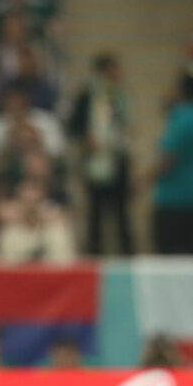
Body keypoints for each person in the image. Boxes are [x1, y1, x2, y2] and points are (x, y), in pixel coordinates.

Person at [68, 53, 132, 255]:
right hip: (95, 161)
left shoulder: (119, 96)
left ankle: (126, 252)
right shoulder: (87, 95)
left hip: (116, 158)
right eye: (114, 69)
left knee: (121, 211)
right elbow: (73, 126)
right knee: (95, 211)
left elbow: (125, 126)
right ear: (104, 71)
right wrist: (86, 141)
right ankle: (94, 252)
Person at [150, 73, 193, 255]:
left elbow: (168, 157)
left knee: (174, 259)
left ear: (180, 91)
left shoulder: (181, 118)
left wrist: (144, 178)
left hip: (177, 200)